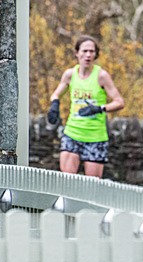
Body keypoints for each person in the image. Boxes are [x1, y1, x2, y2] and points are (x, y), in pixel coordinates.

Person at [46, 35, 124, 177]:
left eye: (91, 51)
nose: (88, 55)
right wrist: (54, 106)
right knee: (67, 181)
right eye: (84, 51)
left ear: (96, 54)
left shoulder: (102, 76)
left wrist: (100, 108)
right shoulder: (70, 75)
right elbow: (56, 94)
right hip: (72, 133)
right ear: (77, 53)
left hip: (95, 137)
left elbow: (119, 102)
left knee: (91, 186)